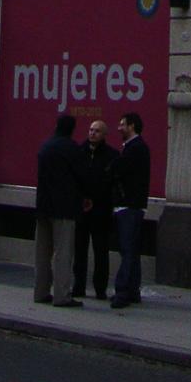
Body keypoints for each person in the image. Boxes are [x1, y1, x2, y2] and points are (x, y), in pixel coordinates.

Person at [33, 113, 85, 307]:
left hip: (43, 205)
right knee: (63, 252)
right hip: (65, 206)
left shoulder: (46, 146)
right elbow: (82, 176)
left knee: (42, 252)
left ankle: (40, 291)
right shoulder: (71, 149)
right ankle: (61, 295)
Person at [73, 117, 117, 302]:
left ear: (104, 135)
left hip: (101, 211)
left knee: (101, 251)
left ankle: (100, 288)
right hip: (82, 210)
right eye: (91, 129)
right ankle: (79, 286)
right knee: (79, 250)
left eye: (97, 130)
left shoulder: (111, 155)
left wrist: (99, 201)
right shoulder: (79, 152)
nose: (92, 133)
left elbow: (111, 183)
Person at [110, 111, 150, 308]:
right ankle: (133, 290)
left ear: (132, 126)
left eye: (122, 124)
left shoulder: (135, 148)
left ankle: (123, 290)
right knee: (132, 250)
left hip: (129, 205)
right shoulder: (134, 147)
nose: (119, 128)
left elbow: (119, 170)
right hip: (132, 204)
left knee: (127, 249)